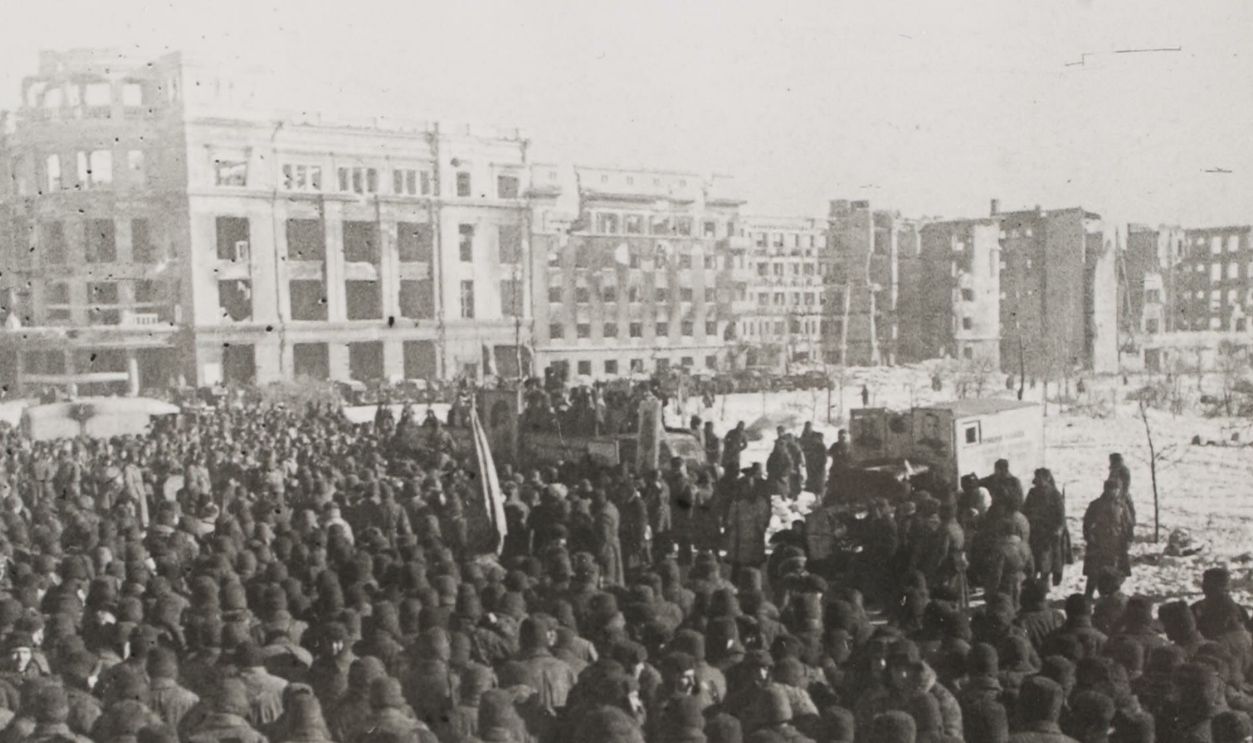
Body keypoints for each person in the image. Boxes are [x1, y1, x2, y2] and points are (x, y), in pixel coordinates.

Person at [1082, 479, 1134, 600]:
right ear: (1106, 489)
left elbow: (1128, 525)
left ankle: (1111, 597)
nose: (1114, 492)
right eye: (1112, 489)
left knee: (1115, 573)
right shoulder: (1096, 505)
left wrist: (1128, 540)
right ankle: (1088, 597)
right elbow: (1087, 524)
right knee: (1094, 573)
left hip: (1116, 545)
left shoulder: (1122, 506)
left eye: (1116, 489)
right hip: (1098, 544)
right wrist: (1090, 537)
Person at [1023, 468, 1068, 587]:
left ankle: (1045, 581)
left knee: (1045, 560)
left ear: (1047, 479)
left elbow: (1061, 517)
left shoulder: (1055, 495)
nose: (1037, 480)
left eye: (1040, 478)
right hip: (1034, 532)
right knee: (1034, 559)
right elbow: (1025, 510)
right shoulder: (1032, 493)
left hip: (1048, 534)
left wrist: (1058, 530)